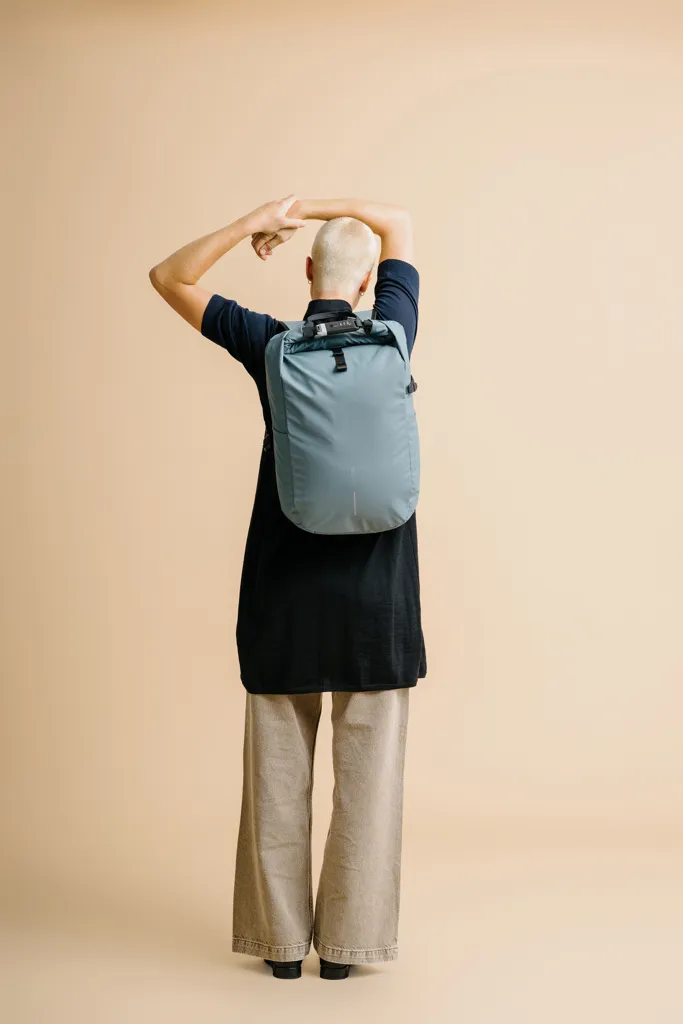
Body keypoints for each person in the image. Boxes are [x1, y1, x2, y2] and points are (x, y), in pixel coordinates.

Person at [149, 195, 427, 980]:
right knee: (368, 787)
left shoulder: (269, 345)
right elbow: (396, 220)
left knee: (276, 779)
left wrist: (259, 219)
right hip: (377, 601)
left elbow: (168, 277)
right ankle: (346, 950)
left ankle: (278, 949)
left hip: (283, 596)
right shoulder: (394, 332)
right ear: (369, 280)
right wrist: (323, 205)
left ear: (307, 270)